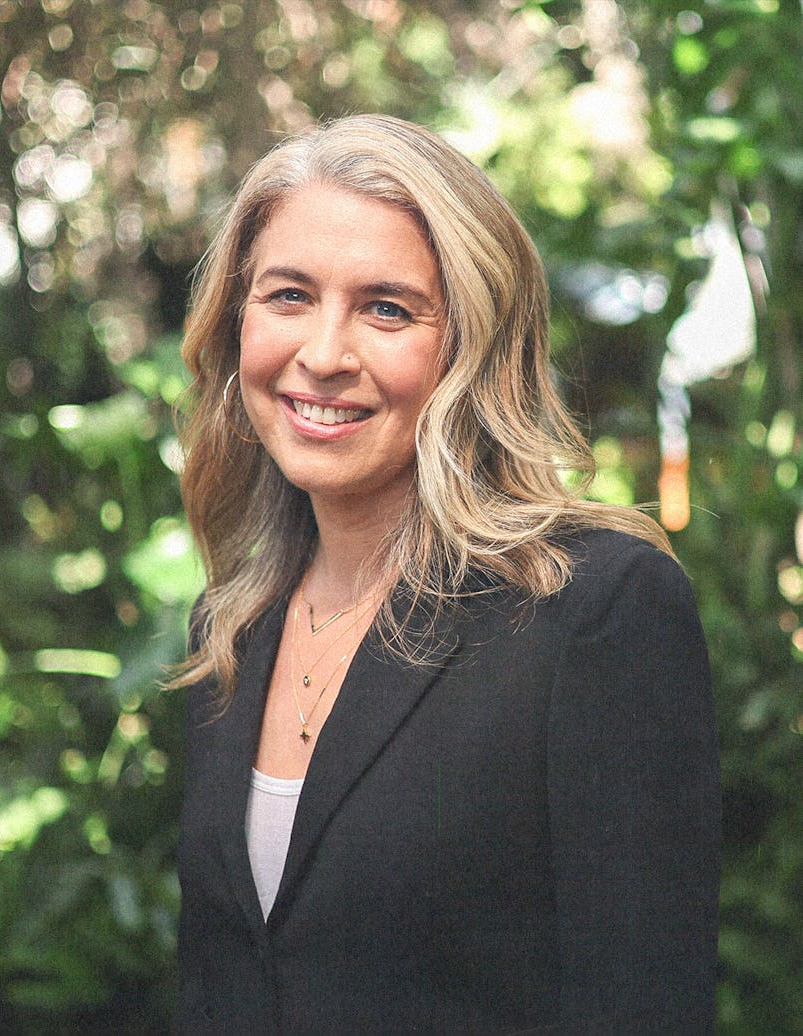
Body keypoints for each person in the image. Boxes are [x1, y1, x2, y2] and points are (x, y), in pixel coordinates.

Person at [173, 113, 720, 1034]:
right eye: (289, 296)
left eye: (388, 308)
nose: (324, 355)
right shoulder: (230, 632)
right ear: (235, 324)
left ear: (471, 343)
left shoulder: (593, 612)